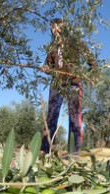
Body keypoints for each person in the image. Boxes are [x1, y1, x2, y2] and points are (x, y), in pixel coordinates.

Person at [40, 18, 98, 154]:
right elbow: (48, 65)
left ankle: (74, 153)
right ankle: (45, 150)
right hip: (57, 83)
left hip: (73, 82)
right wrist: (46, 69)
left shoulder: (74, 42)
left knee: (74, 116)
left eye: (52, 27)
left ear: (60, 27)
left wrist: (94, 73)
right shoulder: (52, 47)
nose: (50, 30)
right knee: (51, 115)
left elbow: (91, 59)